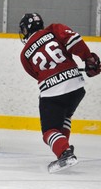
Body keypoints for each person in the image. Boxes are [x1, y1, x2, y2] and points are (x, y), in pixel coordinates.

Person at [18, 13, 101, 172]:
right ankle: (64, 147)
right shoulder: (53, 30)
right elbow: (74, 41)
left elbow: (37, 74)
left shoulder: (24, 55)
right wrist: (88, 59)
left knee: (48, 131)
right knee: (65, 116)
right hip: (76, 87)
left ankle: (64, 152)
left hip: (53, 92)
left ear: (27, 29)